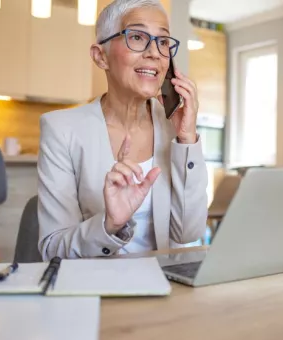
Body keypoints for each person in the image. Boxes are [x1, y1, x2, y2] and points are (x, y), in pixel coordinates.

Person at [37, 0, 208, 260]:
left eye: (163, 42)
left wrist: (187, 141)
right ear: (100, 56)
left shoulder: (176, 126)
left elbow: (188, 233)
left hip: (166, 284)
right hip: (96, 289)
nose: (154, 53)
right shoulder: (61, 130)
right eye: (137, 37)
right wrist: (110, 225)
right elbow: (53, 249)